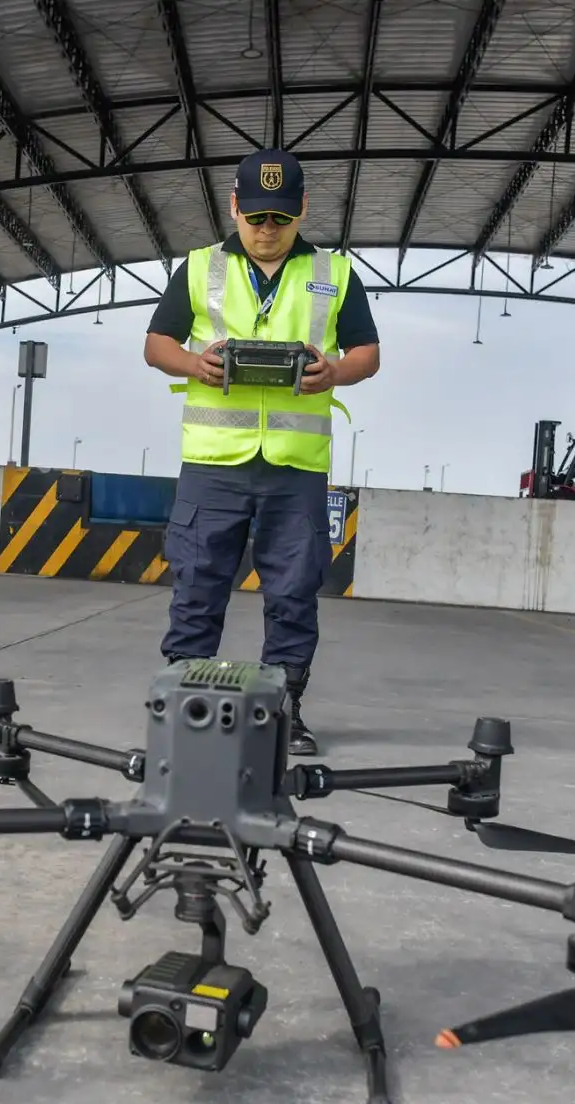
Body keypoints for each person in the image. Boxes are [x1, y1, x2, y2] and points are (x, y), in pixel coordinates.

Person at [142, 147, 381, 755]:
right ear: (234, 208)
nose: (267, 229)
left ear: (301, 209)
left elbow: (368, 353)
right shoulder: (200, 267)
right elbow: (156, 344)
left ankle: (283, 712)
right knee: (197, 585)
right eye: (255, 217)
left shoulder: (335, 273)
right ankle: (187, 708)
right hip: (213, 462)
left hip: (295, 467)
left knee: (293, 592)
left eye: (280, 217)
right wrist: (194, 364)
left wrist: (335, 372)